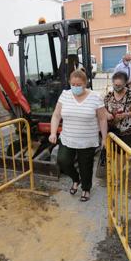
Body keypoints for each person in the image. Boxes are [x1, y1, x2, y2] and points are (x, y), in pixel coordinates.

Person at [49, 69, 107, 202]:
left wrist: (104, 138)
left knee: (85, 165)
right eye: (73, 84)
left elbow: (102, 119)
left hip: (87, 139)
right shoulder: (65, 95)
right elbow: (56, 115)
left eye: (79, 84)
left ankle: (86, 188)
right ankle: (76, 179)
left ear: (85, 83)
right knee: (63, 161)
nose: (75, 87)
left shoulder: (95, 97)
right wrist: (53, 132)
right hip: (67, 137)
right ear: (69, 82)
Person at [104, 71, 131, 148]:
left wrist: (126, 114)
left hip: (126, 131)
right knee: (111, 153)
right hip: (111, 129)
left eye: (120, 85)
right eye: (115, 85)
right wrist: (107, 114)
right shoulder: (109, 95)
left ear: (125, 84)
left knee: (123, 154)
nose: (117, 87)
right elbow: (103, 109)